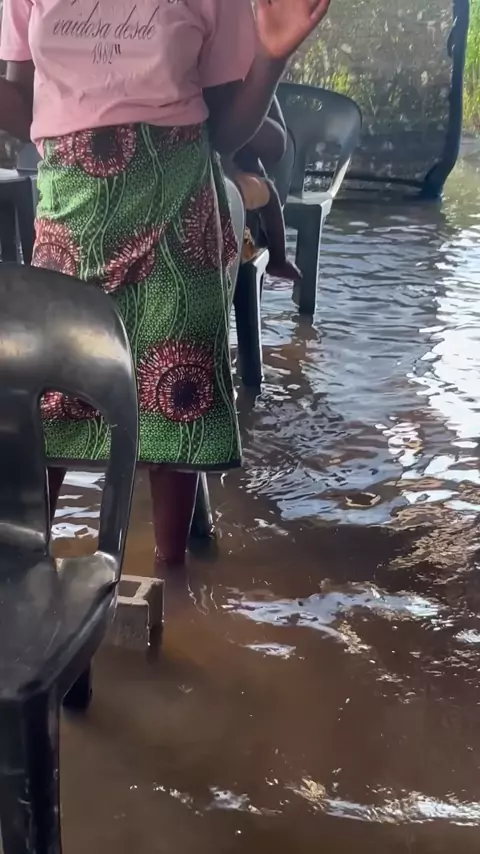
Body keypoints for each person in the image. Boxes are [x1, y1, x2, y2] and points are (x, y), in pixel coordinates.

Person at [0, 0, 331, 572]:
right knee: (49, 401)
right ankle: (24, 577)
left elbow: (225, 130)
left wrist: (271, 58)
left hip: (177, 210)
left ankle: (172, 587)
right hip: (70, 214)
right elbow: (21, 106)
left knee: (177, 399)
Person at [226, 96, 302, 281]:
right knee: (267, 190)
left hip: (237, 201)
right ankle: (278, 261)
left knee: (266, 191)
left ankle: (277, 260)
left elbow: (276, 148)